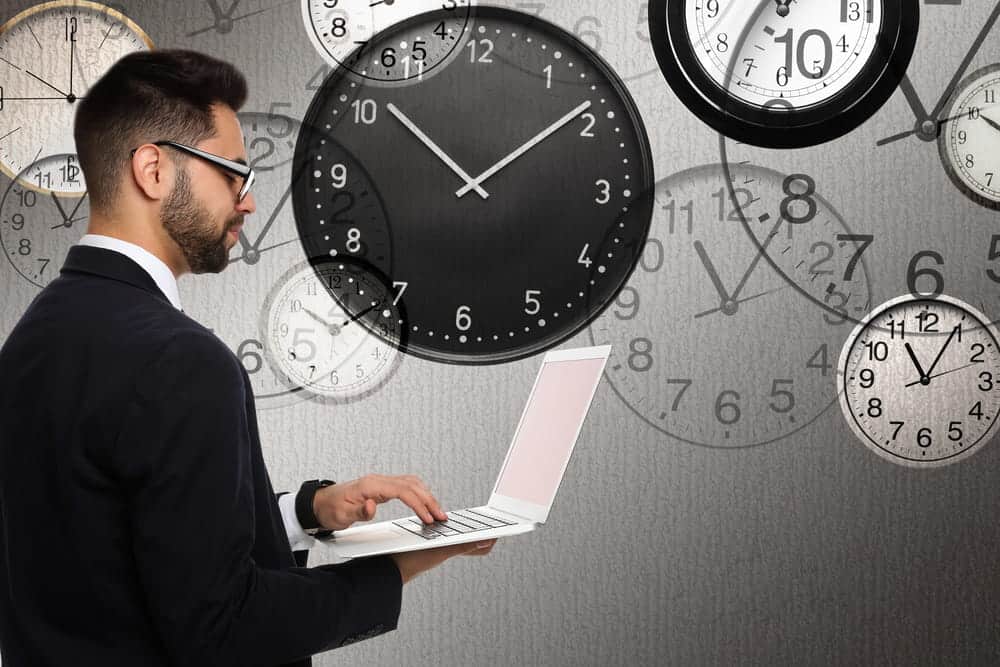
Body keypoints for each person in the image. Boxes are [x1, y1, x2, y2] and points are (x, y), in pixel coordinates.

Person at [0, 49, 495, 667]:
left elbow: (113, 545)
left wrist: (305, 512)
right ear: (153, 170)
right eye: (232, 172)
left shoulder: (32, 336)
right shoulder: (181, 360)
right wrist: (397, 566)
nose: (248, 202)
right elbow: (224, 628)